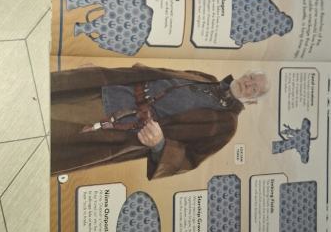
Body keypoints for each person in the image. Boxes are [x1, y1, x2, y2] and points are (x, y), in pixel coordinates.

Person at [51, 63, 270, 179]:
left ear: (252, 101)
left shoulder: (226, 125)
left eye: (255, 89)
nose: (248, 84)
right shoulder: (208, 79)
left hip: (116, 124)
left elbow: (188, 160)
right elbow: (156, 74)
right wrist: (99, 71)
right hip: (110, 88)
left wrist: (159, 145)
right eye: (251, 78)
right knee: (51, 93)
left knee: (55, 132)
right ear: (246, 73)